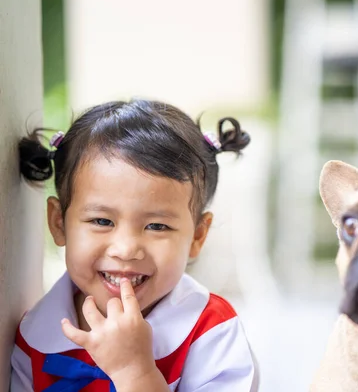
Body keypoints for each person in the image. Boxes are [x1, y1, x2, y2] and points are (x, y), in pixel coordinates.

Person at [11, 99, 258, 391]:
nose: (126, 249)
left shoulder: (212, 333)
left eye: (157, 226)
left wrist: (134, 372)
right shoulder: (34, 335)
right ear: (58, 223)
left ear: (196, 237)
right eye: (102, 221)